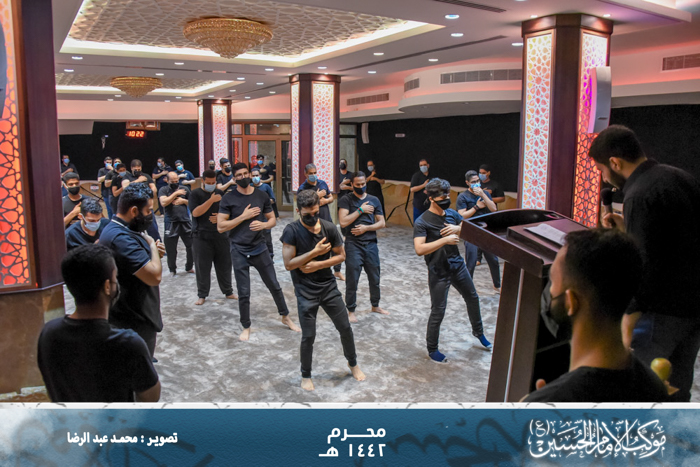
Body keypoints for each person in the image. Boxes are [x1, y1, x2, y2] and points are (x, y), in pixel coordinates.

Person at [589, 124, 700, 402]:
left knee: (639, 393)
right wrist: (628, 228)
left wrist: (628, 317)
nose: (605, 178)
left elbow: (644, 265)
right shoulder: (679, 176)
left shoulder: (638, 194)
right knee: (676, 390)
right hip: (692, 308)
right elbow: (673, 241)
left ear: (615, 162)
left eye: (602, 170)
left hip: (658, 314)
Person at [523, 229, 668, 402]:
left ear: (571, 302)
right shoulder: (655, 387)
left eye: (553, 282)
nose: (550, 291)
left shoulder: (546, 405)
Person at [37, 245, 160, 402]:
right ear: (107, 287)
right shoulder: (128, 344)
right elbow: (150, 398)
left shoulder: (49, 333)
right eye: (115, 277)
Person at [281, 189, 366, 391]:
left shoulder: (329, 228)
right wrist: (314, 252)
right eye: (307, 214)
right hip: (305, 290)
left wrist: (318, 264)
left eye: (315, 213)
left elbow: (341, 256)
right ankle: (306, 374)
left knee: (345, 327)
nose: (312, 218)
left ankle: (353, 363)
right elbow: (289, 264)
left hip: (328, 286)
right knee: (308, 336)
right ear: (298, 211)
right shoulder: (291, 231)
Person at [218, 162, 300, 341]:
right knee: (244, 291)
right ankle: (246, 326)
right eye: (239, 175)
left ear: (250, 174)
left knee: (274, 285)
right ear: (234, 179)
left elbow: (272, 220)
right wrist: (243, 217)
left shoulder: (261, 195)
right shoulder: (228, 198)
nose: (243, 177)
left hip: (259, 247)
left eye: (245, 173)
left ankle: (285, 316)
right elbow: (220, 226)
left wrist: (263, 225)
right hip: (238, 249)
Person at [413, 178, 492, 363]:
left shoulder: (452, 214)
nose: (446, 199)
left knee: (473, 298)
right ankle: (432, 349)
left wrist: (458, 228)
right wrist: (444, 240)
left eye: (448, 195)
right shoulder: (422, 221)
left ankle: (479, 333)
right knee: (438, 310)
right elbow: (419, 249)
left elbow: (468, 229)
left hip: (458, 266)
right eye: (442, 197)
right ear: (431, 198)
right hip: (438, 271)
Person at [99, 183, 166, 358]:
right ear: (134, 211)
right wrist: (152, 247)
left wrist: (152, 254)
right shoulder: (120, 238)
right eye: (148, 210)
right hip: (132, 320)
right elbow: (154, 276)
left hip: (136, 316)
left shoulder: (126, 230)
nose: (150, 215)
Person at [338, 171, 387, 323]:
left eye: (363, 184)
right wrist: (360, 210)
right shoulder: (346, 200)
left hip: (371, 244)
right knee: (352, 279)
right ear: (352, 185)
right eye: (357, 184)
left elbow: (382, 223)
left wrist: (367, 228)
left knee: (375, 277)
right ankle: (351, 310)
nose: (361, 186)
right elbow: (343, 222)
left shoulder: (374, 200)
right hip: (353, 244)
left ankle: (375, 305)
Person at [189, 169, 237, 305]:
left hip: (221, 235)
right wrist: (211, 200)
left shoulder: (221, 193)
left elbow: (230, 212)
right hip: (201, 236)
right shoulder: (195, 194)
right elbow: (195, 213)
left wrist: (221, 217)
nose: (211, 185)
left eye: (213, 182)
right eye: (208, 183)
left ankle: (228, 291)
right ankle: (202, 294)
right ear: (203, 181)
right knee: (202, 267)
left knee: (225, 265)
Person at [457, 170, 501, 293]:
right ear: (467, 183)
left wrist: (483, 195)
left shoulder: (485, 193)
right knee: (471, 262)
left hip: (485, 231)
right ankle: (468, 287)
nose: (476, 183)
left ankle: (497, 285)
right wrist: (476, 207)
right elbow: (462, 215)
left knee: (493, 260)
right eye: (473, 182)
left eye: (477, 181)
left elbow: (493, 209)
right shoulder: (462, 197)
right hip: (471, 231)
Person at [299, 163, 344, 280]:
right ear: (305, 174)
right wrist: (316, 195)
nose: (313, 175)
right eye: (310, 173)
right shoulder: (302, 188)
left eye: (315, 173)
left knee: (335, 245)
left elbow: (331, 197)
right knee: (315, 248)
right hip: (312, 223)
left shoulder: (322, 183)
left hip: (327, 220)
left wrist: (325, 201)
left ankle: (337, 271)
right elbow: (303, 205)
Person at [158, 172, 194, 276]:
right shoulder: (163, 190)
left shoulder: (185, 189)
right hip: (171, 222)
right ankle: (172, 269)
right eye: (172, 181)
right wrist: (175, 194)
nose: (175, 183)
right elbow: (163, 203)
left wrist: (183, 201)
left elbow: (193, 203)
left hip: (185, 221)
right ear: (167, 181)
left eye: (177, 181)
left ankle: (189, 267)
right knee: (171, 249)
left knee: (192, 246)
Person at [251, 166, 276, 258]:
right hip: (253, 216)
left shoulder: (266, 187)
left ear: (260, 176)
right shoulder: (249, 187)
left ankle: (270, 256)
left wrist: (263, 202)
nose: (255, 177)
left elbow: (273, 199)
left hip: (265, 216)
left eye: (257, 175)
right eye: (253, 176)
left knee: (267, 238)